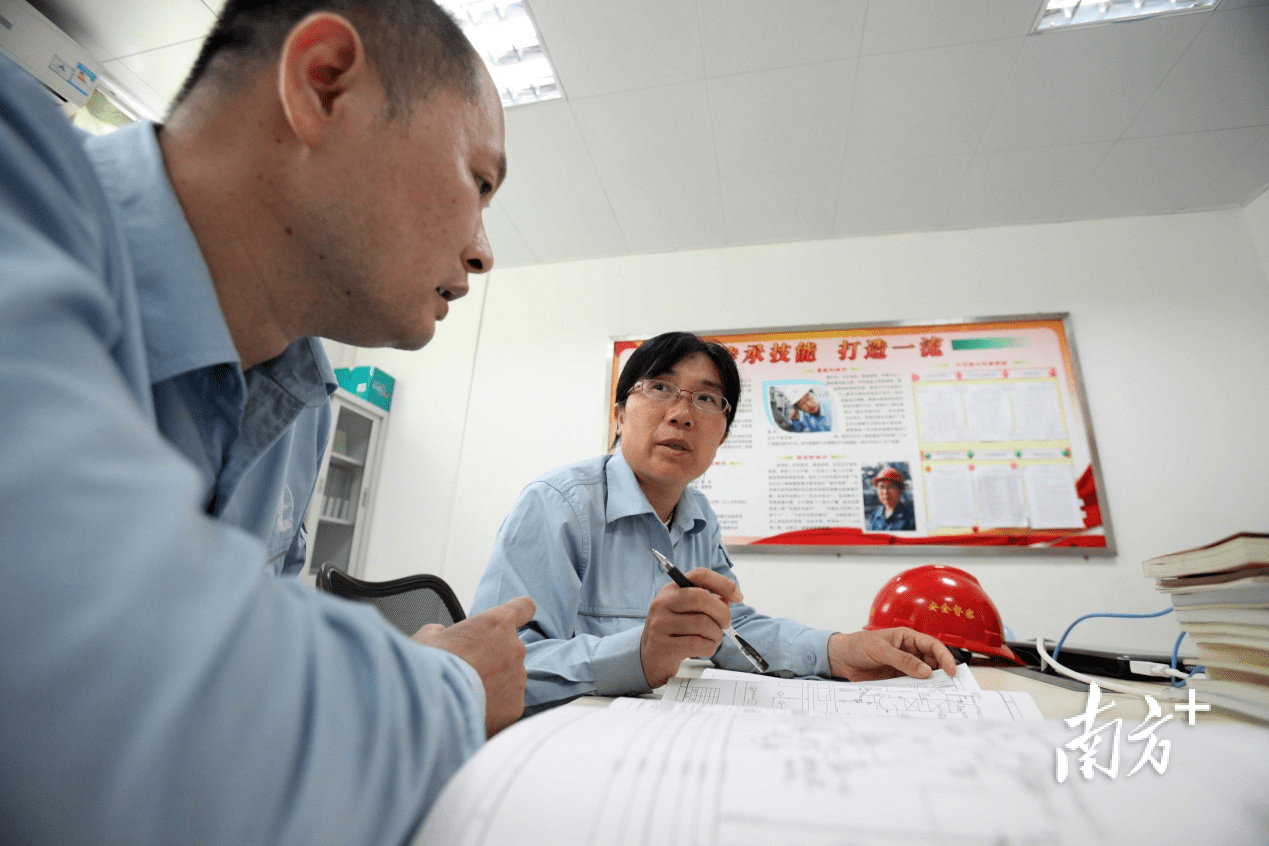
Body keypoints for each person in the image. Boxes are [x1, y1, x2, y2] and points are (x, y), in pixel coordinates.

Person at [0, 3, 536, 844]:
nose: (482, 251)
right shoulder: (21, 180)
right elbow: (124, 711)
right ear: (323, 85)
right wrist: (445, 685)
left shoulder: (301, 404)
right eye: (479, 181)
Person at [470, 332, 956, 714]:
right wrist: (636, 654)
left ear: (721, 437)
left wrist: (840, 649)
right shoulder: (557, 505)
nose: (682, 414)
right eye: (660, 388)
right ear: (619, 415)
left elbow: (730, 629)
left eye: (706, 400)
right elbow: (493, 668)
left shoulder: (698, 514)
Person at [867, 465, 917, 531]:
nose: (885, 492)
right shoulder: (875, 517)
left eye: (891, 487)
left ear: (900, 490)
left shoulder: (912, 518)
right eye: (881, 487)